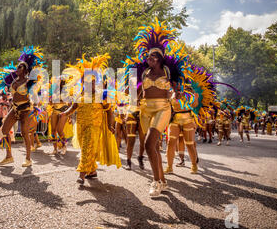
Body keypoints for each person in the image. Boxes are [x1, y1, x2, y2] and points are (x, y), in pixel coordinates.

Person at [131, 19, 187, 197]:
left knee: (148, 144)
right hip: (145, 110)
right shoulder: (145, 73)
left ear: (160, 58)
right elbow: (137, 91)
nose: (149, 59)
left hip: (163, 108)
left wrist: (175, 95)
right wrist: (131, 99)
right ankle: (163, 181)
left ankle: (155, 182)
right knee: (153, 146)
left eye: (153, 56)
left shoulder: (168, 72)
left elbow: (176, 91)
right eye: (148, 56)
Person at [60, 53, 119, 185]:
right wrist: (64, 114)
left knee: (87, 147)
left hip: (94, 126)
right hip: (81, 126)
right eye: (86, 82)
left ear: (95, 82)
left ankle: (81, 174)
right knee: (86, 148)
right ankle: (92, 171)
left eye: (92, 82)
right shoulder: (79, 96)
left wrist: (110, 124)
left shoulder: (101, 96)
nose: (89, 84)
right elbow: (73, 108)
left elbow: (109, 111)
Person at [0, 46, 45, 167]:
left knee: (24, 133)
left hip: (26, 110)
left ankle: (28, 159)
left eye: (20, 67)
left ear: (26, 70)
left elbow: (37, 84)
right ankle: (9, 156)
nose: (17, 68)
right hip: (14, 108)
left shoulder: (29, 82)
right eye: (17, 67)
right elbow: (6, 85)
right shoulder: (13, 81)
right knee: (4, 130)